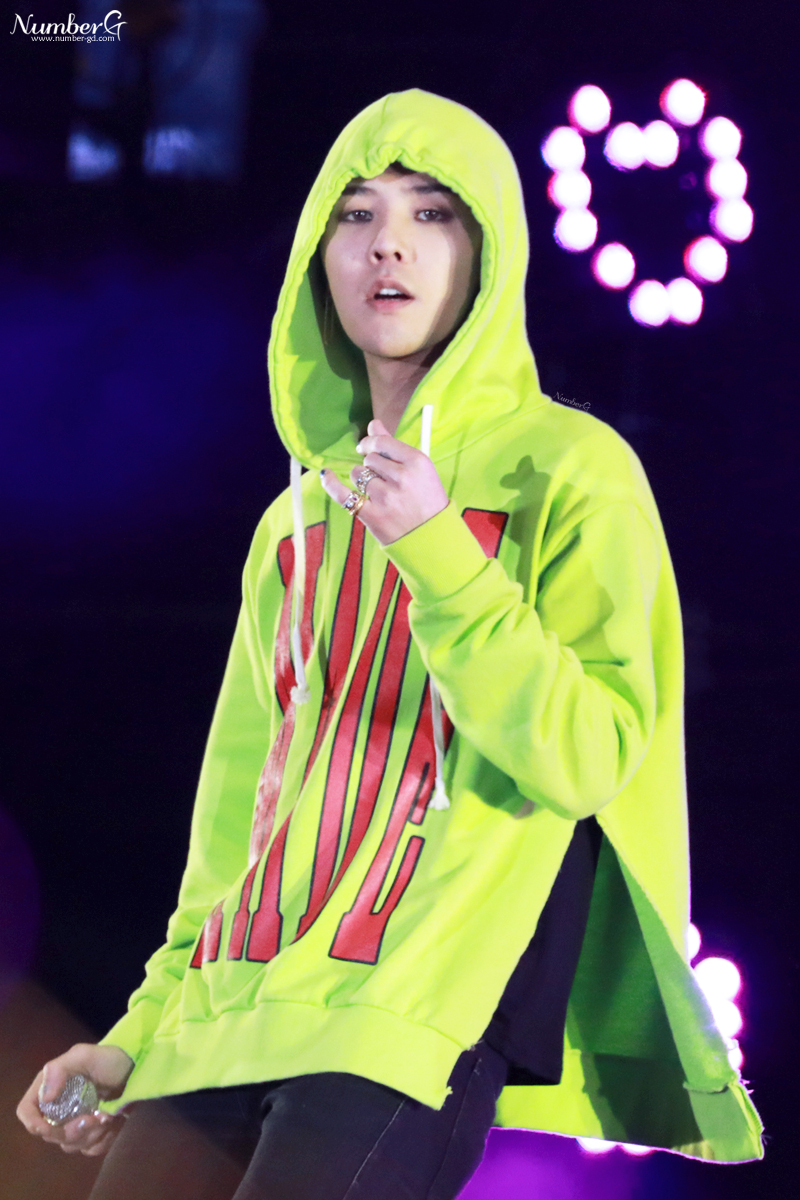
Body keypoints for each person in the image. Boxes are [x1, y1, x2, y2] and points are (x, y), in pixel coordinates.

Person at [18, 89, 763, 1197]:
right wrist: (137, 1036)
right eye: (356, 214)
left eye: (432, 213)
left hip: (406, 1017)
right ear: (317, 257)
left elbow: (592, 754)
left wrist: (439, 552)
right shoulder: (292, 525)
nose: (389, 244)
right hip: (224, 1020)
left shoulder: (571, 469)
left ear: (488, 252)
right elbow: (239, 829)